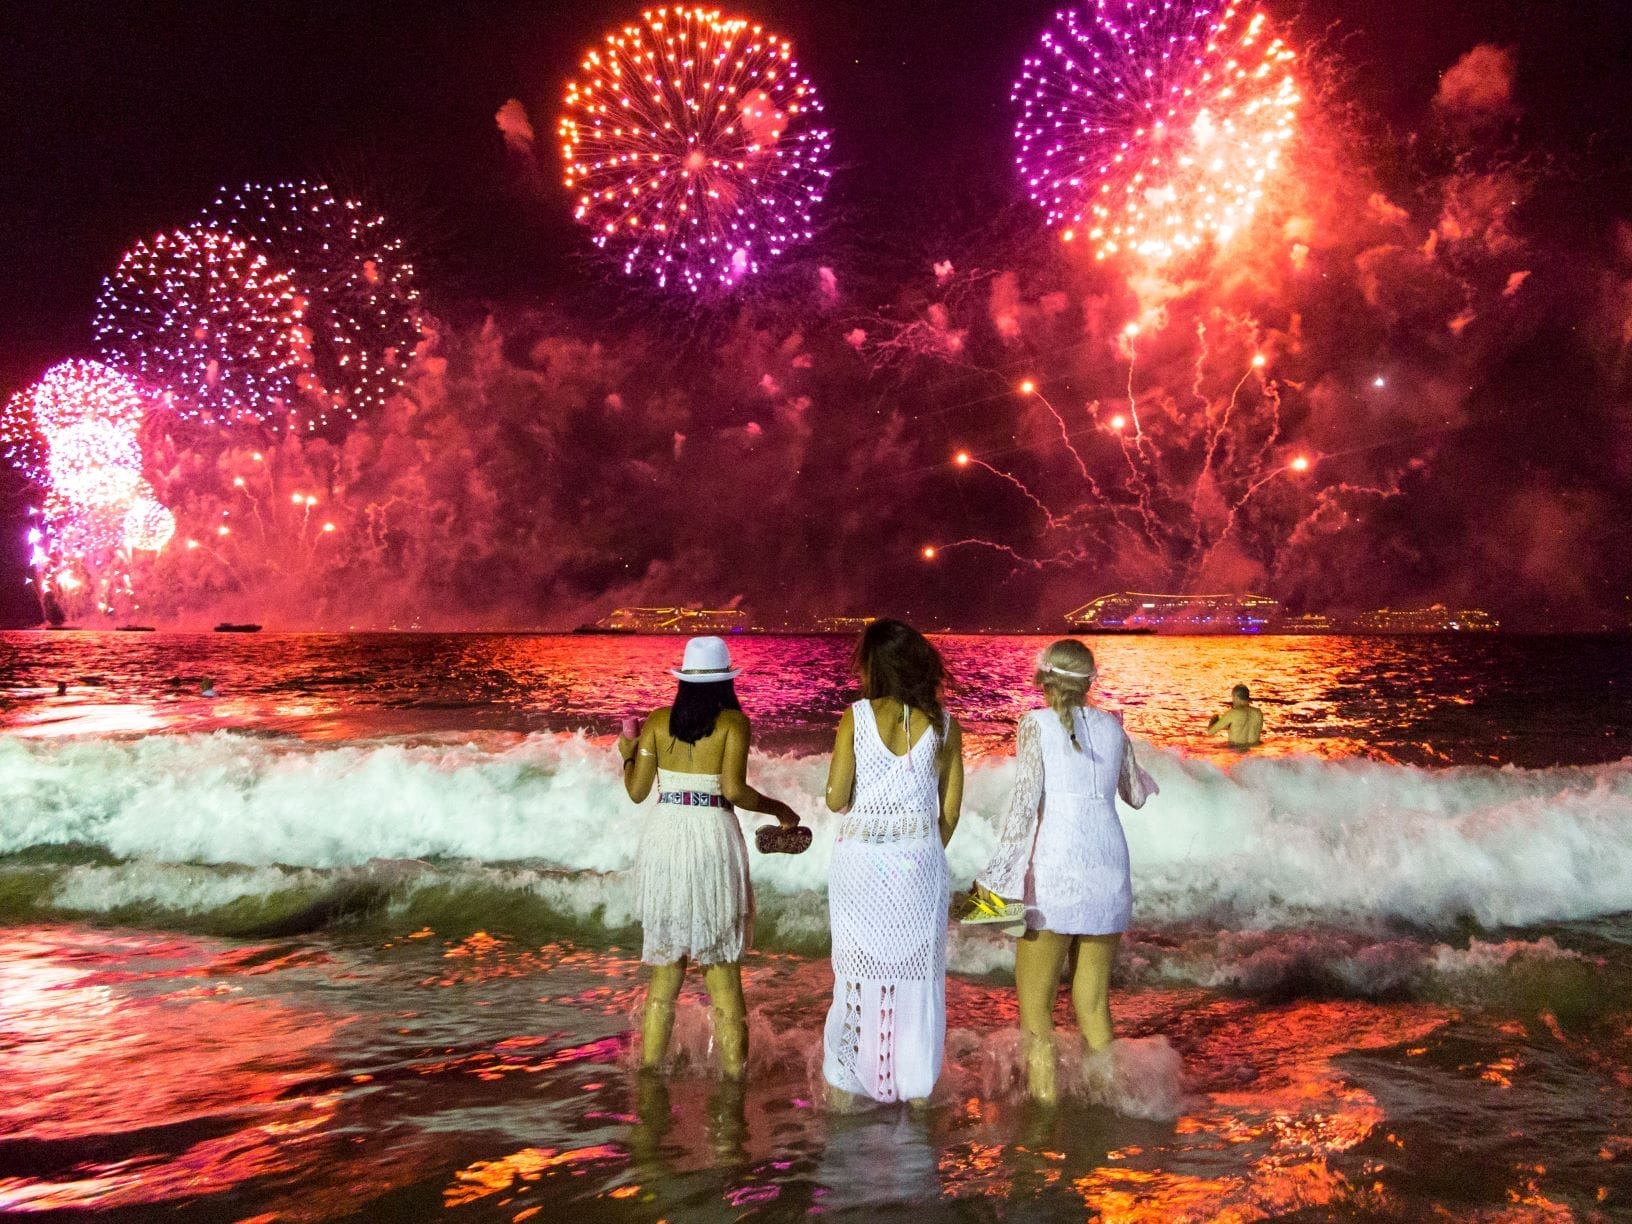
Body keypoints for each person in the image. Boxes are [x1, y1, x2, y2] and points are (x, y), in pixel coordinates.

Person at [964, 639, 1157, 1104]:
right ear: (1090, 682)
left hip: (1056, 869)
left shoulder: (1035, 725)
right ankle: (1112, 1105)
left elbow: (1023, 808)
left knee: (1036, 1013)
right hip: (1109, 867)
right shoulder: (1114, 727)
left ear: (1044, 680)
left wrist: (994, 883)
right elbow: (1134, 793)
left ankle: (1046, 1114)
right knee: (1093, 1005)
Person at [617, 636, 801, 1079]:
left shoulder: (658, 722)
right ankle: (735, 1081)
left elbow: (638, 791)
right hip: (711, 835)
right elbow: (735, 791)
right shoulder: (735, 724)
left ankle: (649, 1074)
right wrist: (781, 810)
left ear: (683, 679)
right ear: (726, 683)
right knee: (723, 974)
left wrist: (627, 754)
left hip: (666, 835)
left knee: (665, 974)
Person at [821, 619, 964, 1107]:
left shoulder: (855, 717)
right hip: (919, 864)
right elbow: (949, 813)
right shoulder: (944, 724)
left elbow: (837, 798)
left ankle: (849, 1088)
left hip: (858, 866)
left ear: (874, 666)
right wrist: (919, 851)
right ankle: (916, 1092)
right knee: (917, 976)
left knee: (856, 974)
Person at [1207, 683, 1262, 747]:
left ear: (1235, 696)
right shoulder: (1258, 713)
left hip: (1236, 751)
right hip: (1254, 752)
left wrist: (1214, 718)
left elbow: (1210, 732)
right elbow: (1242, 727)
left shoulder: (1233, 713)